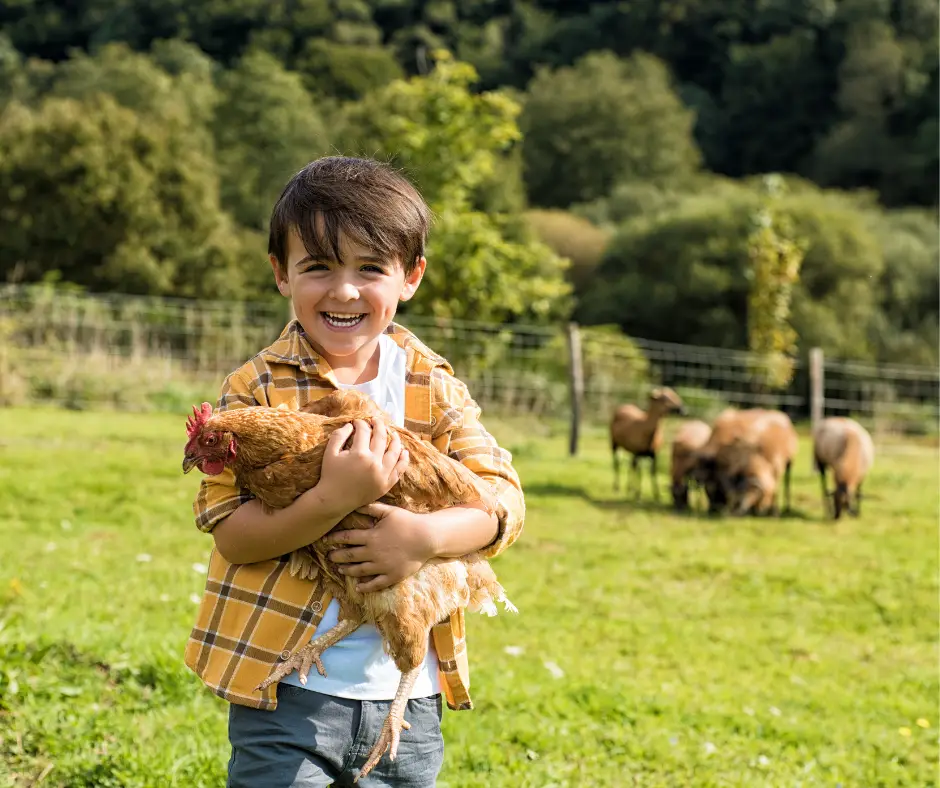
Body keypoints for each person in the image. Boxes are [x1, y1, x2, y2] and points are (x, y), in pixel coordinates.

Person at [185, 156, 525, 787]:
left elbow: (503, 502)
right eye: (318, 267)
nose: (344, 291)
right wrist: (333, 497)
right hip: (283, 684)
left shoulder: (432, 386)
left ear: (411, 277)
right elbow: (232, 534)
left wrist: (423, 539)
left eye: (370, 269)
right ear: (281, 274)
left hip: (408, 694)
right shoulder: (254, 386)